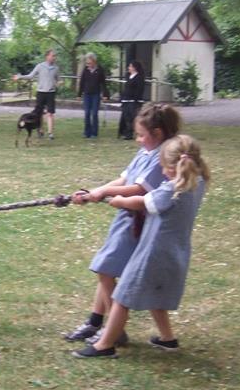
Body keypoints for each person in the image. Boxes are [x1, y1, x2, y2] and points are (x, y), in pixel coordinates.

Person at [73, 134, 210, 358]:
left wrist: (119, 201)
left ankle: (105, 345)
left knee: (121, 297)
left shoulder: (172, 189)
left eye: (165, 167)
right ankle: (168, 339)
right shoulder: (198, 182)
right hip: (175, 250)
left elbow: (142, 202)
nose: (162, 172)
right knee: (156, 296)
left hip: (153, 251)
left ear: (176, 167)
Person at [64, 104, 182, 345]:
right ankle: (95, 322)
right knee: (106, 267)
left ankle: (114, 331)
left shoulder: (164, 156)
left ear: (158, 133)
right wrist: (94, 191)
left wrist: (104, 192)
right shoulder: (147, 152)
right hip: (123, 218)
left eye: (141, 134)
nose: (138, 140)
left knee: (105, 268)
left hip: (135, 223)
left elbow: (140, 189)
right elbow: (125, 178)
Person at [12, 49, 59, 139]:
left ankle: (50, 133)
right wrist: (20, 77)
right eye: (53, 56)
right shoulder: (40, 66)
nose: (54, 57)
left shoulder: (56, 68)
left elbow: (58, 79)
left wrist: (60, 82)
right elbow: (30, 76)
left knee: (50, 113)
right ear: (47, 56)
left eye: (55, 56)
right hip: (41, 93)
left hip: (51, 93)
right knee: (39, 113)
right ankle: (40, 130)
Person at [77, 52, 108, 138]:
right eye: (87, 63)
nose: (88, 65)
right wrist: (79, 94)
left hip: (96, 94)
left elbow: (103, 83)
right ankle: (87, 132)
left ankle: (94, 133)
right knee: (87, 113)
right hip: (87, 94)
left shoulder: (100, 70)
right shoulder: (86, 70)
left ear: (94, 61)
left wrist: (105, 94)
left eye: (89, 63)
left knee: (94, 113)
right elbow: (82, 82)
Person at [118, 60, 146, 140]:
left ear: (134, 68)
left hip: (134, 101)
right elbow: (126, 88)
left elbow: (139, 89)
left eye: (130, 66)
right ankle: (128, 133)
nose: (129, 68)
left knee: (133, 117)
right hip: (126, 100)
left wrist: (136, 99)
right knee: (127, 118)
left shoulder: (139, 77)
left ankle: (137, 132)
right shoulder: (128, 76)